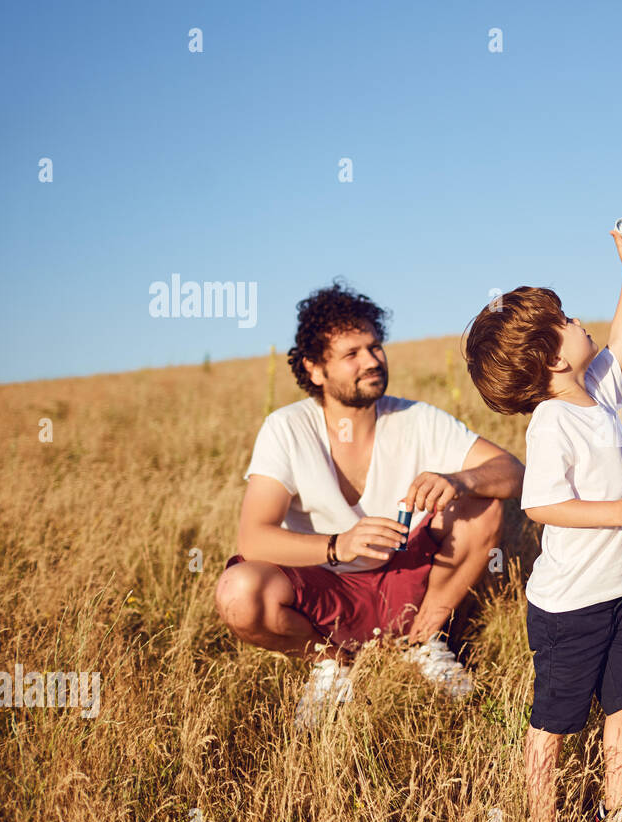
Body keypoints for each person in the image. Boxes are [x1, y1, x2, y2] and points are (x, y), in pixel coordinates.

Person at [463, 221, 622, 822]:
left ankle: (619, 806)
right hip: (568, 608)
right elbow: (541, 504)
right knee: (555, 720)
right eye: (564, 319)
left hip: (615, 592)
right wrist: (621, 510)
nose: (578, 321)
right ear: (553, 358)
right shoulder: (553, 422)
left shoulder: (596, 391)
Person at [214, 281, 524, 728]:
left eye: (375, 347)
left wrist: (460, 479)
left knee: (483, 503)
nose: (372, 361)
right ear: (315, 370)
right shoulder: (285, 429)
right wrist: (338, 545)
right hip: (328, 587)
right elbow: (253, 537)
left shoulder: (415, 418)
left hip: (407, 577)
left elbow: (513, 472)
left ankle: (423, 641)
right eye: (352, 354)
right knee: (238, 591)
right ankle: (333, 663)